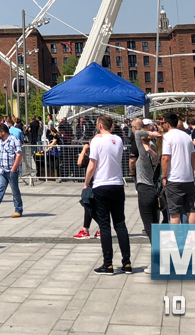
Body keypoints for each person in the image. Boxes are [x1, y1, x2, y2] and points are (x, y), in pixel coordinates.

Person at [84, 115, 131, 275]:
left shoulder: (96, 141)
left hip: (101, 185)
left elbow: (92, 164)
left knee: (104, 226)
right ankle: (127, 262)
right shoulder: (118, 140)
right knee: (120, 224)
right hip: (117, 184)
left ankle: (108, 264)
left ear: (99, 125)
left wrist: (86, 183)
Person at [160, 113, 195, 224]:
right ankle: (193, 234)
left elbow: (166, 158)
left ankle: (175, 234)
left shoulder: (167, 137)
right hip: (188, 178)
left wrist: (164, 175)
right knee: (190, 210)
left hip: (174, 178)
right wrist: (192, 171)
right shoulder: (186, 136)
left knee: (174, 212)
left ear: (167, 124)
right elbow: (193, 156)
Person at [132, 131, 161, 239]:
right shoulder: (155, 155)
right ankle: (158, 245)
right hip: (153, 189)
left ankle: (156, 247)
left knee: (148, 227)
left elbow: (137, 133)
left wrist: (151, 133)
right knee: (155, 224)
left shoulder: (144, 156)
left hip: (144, 189)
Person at [72, 141, 97, 239]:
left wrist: (84, 150)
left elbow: (79, 162)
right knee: (100, 207)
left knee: (88, 205)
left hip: (92, 185)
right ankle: (99, 229)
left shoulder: (91, 158)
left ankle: (85, 229)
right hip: (104, 184)